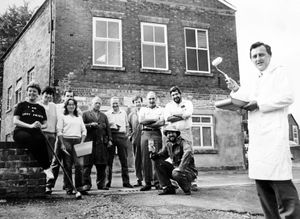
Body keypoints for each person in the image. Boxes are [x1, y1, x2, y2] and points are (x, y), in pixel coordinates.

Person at [226, 41, 300, 218]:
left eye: (261, 55)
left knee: (281, 185)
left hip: (274, 137)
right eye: (254, 56)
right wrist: (235, 90)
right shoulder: (254, 79)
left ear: (269, 56)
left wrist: (260, 103)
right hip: (258, 139)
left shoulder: (279, 72)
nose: (258, 59)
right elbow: (244, 97)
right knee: (263, 185)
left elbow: (288, 96)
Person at [13, 81, 54, 179]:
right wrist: (30, 126)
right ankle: (45, 166)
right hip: (20, 131)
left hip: (35, 132)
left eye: (34, 91)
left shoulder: (40, 108)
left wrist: (40, 126)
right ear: (27, 92)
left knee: (41, 140)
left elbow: (45, 124)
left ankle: (47, 169)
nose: (32, 93)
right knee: (29, 138)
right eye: (30, 91)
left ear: (38, 94)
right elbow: (15, 121)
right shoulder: (21, 105)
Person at [46, 89, 78, 193]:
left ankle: (68, 187)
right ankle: (49, 186)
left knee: (68, 164)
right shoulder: (57, 107)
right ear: (64, 96)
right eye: (68, 95)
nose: (69, 97)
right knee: (55, 162)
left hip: (69, 139)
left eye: (71, 96)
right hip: (59, 138)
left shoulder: (76, 110)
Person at [151, 125, 197, 195]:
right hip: (175, 170)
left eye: (173, 132)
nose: (170, 135)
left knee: (176, 173)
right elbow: (162, 155)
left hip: (188, 171)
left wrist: (180, 168)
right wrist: (155, 155)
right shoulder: (168, 144)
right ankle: (168, 188)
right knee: (158, 162)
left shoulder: (184, 142)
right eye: (168, 133)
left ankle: (187, 188)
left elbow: (188, 152)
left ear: (177, 134)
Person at [57, 98, 87, 195]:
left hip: (78, 141)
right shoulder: (62, 117)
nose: (71, 106)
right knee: (68, 166)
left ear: (75, 106)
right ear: (66, 106)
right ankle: (69, 187)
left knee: (80, 165)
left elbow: (84, 130)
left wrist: (82, 142)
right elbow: (59, 131)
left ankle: (79, 187)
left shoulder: (79, 117)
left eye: (73, 104)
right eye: (69, 104)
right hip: (66, 141)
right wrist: (62, 143)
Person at [82, 96, 112, 190]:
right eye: (96, 103)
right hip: (88, 142)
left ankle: (101, 184)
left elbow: (108, 129)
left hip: (100, 143)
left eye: (99, 103)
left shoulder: (104, 116)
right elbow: (81, 126)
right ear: (92, 104)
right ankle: (86, 184)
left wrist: (110, 140)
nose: (98, 105)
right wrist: (90, 125)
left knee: (101, 165)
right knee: (86, 165)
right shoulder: (85, 114)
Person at [138, 91, 165, 191]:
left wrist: (148, 122)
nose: (151, 100)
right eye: (149, 99)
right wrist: (155, 119)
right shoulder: (143, 109)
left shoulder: (161, 109)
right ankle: (147, 182)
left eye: (153, 98)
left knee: (157, 157)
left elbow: (162, 122)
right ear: (146, 100)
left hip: (156, 133)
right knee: (145, 158)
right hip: (145, 133)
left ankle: (157, 182)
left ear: (156, 99)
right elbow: (141, 121)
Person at [105, 97, 133, 188]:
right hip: (111, 136)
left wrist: (127, 135)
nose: (115, 105)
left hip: (122, 136)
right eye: (113, 103)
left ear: (119, 103)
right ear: (110, 104)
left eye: (116, 103)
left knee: (124, 160)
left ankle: (126, 182)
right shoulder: (107, 114)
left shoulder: (123, 112)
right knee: (109, 160)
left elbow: (127, 125)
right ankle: (107, 182)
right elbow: (106, 127)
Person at [38, 86, 57, 164]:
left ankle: (46, 174)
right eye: (46, 93)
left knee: (50, 156)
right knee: (42, 155)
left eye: (50, 94)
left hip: (52, 134)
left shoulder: (53, 105)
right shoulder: (38, 104)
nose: (48, 96)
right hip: (42, 133)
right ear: (42, 94)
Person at [128, 95, 144, 187]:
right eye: (136, 102)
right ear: (134, 103)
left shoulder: (145, 112)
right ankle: (139, 179)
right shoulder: (131, 115)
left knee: (146, 159)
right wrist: (131, 136)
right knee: (137, 159)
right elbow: (129, 127)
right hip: (136, 139)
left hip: (145, 137)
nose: (138, 103)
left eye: (139, 101)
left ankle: (150, 179)